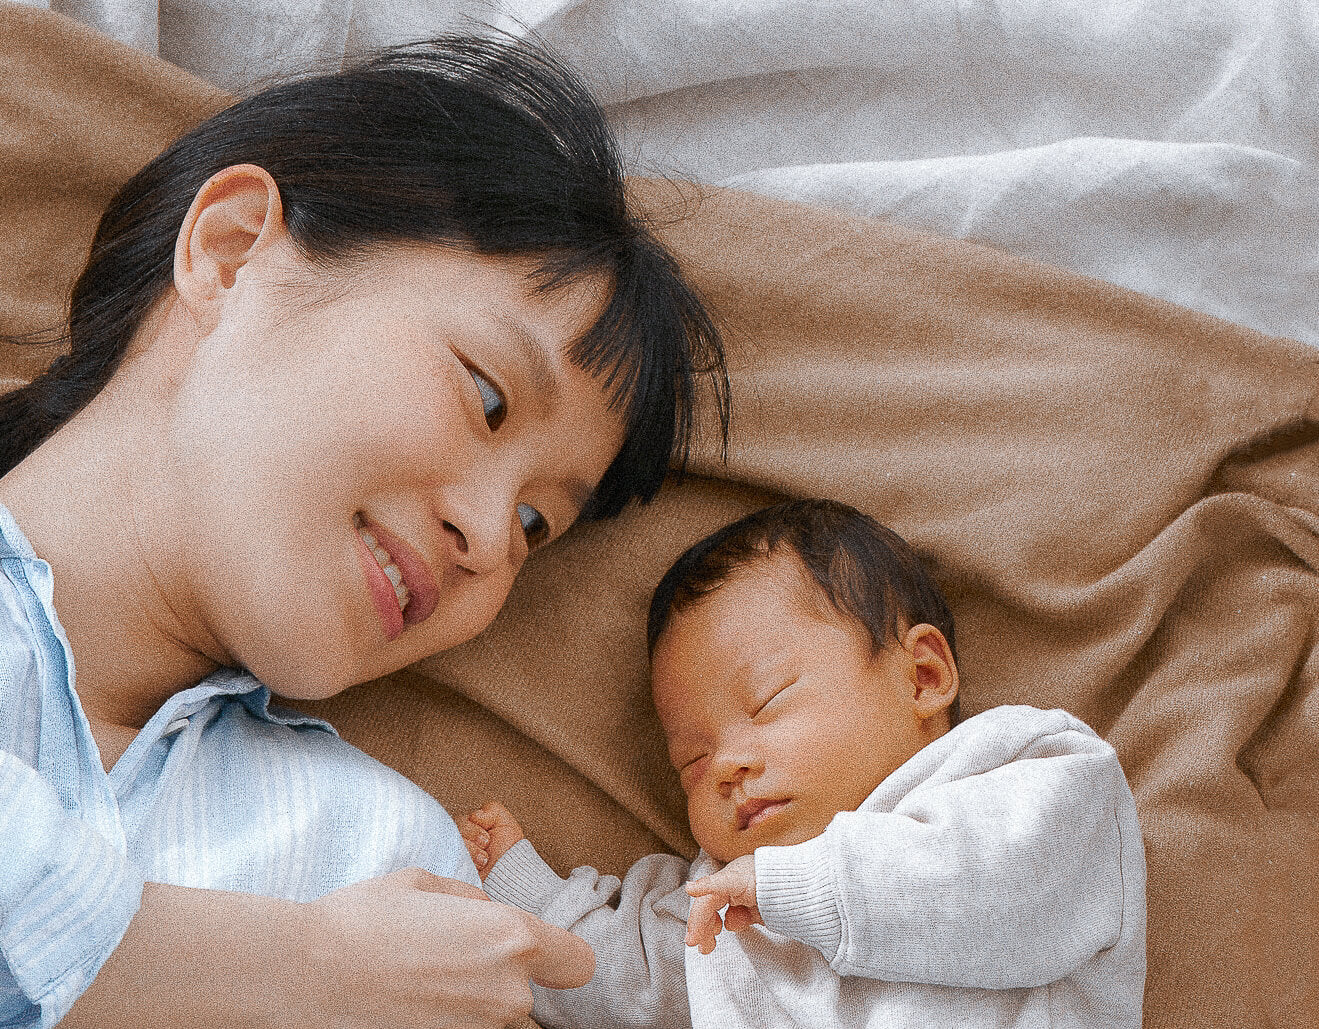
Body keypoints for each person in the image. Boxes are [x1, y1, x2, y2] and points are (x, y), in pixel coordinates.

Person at [0, 34, 729, 1029]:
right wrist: (300, 970)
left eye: (533, 523)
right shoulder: (360, 945)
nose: (485, 537)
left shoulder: (385, 867)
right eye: (484, 394)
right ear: (230, 251)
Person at [462, 498, 1147, 1028]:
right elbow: (639, 989)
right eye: (691, 762)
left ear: (922, 675)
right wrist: (531, 900)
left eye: (766, 702)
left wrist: (799, 887)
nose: (725, 764)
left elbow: (1003, 888)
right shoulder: (726, 908)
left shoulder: (1022, 768)